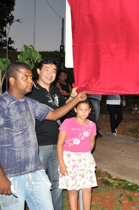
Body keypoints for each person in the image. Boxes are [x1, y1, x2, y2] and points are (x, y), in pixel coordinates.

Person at [0, 62, 87, 210]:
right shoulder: (3, 104)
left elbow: (53, 115)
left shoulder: (30, 103)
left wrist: (76, 100)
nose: (30, 81)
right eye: (25, 77)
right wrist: (1, 177)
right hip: (11, 175)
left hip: (36, 171)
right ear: (12, 80)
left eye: (31, 77)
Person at [27, 57, 77, 210]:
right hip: (38, 144)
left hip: (58, 143)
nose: (50, 73)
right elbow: (53, 114)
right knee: (38, 183)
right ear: (38, 71)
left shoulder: (56, 90)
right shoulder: (30, 91)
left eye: (53, 70)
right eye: (46, 69)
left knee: (57, 183)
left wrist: (72, 97)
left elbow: (61, 109)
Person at [57, 99, 97, 210]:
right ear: (75, 109)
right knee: (73, 189)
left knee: (87, 188)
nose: (83, 112)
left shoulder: (92, 125)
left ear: (89, 111)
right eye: (80, 109)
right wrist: (62, 163)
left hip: (85, 159)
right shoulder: (68, 122)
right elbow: (60, 144)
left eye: (86, 110)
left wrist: (86, 154)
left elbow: (92, 141)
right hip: (70, 159)